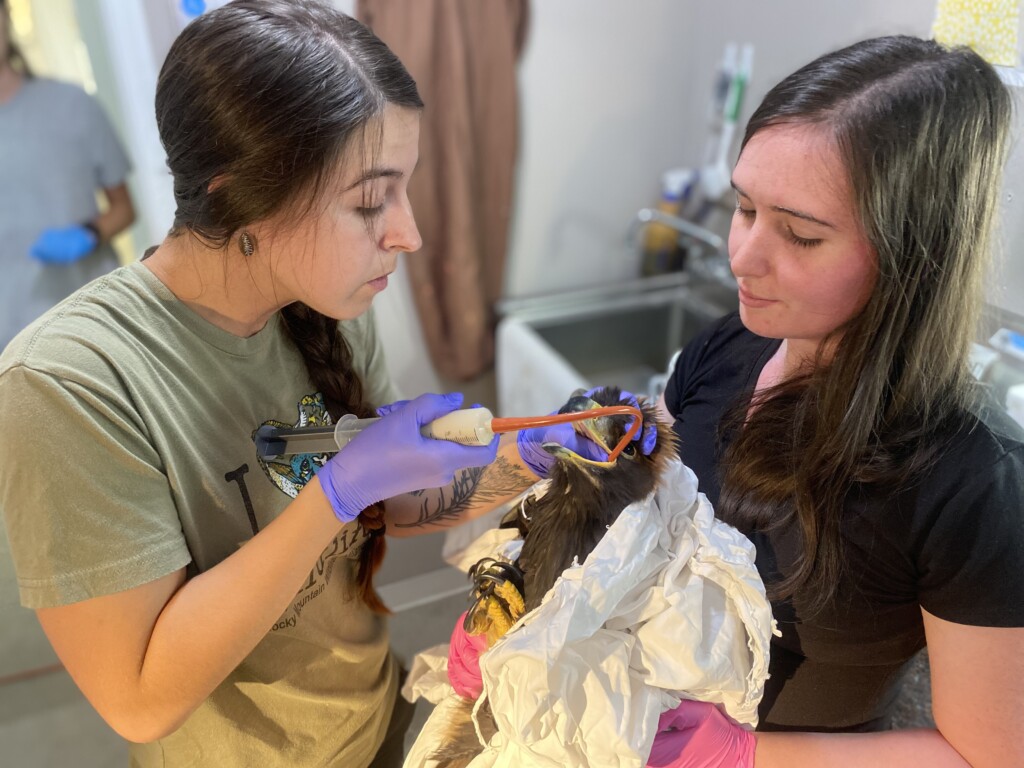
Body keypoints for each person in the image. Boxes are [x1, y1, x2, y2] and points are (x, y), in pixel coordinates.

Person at [0, 2, 639, 766]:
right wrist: (331, 491)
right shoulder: (68, 385)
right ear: (244, 199)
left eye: (406, 191)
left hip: (377, 718)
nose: (409, 233)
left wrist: (527, 459)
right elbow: (140, 698)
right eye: (371, 200)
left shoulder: (324, 306)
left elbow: (393, 508)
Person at [655, 35, 1024, 767]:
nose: (744, 255)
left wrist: (739, 757)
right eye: (745, 208)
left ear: (912, 254)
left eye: (798, 233)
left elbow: (987, 753)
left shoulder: (975, 484)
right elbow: (650, 502)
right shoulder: (729, 346)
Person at [0, 0, 136, 350]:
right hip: (10, 344)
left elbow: (124, 209)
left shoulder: (73, 105)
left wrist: (89, 233)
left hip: (92, 325)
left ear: (7, 17)